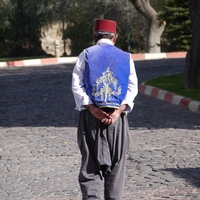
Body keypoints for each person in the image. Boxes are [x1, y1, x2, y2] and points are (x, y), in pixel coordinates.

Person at [71, 19, 138, 200]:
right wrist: (117, 111)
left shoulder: (85, 54)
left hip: (90, 118)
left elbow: (77, 86)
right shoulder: (126, 57)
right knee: (117, 168)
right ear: (115, 37)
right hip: (117, 120)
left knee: (90, 167)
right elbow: (132, 88)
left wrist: (93, 109)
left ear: (94, 37)